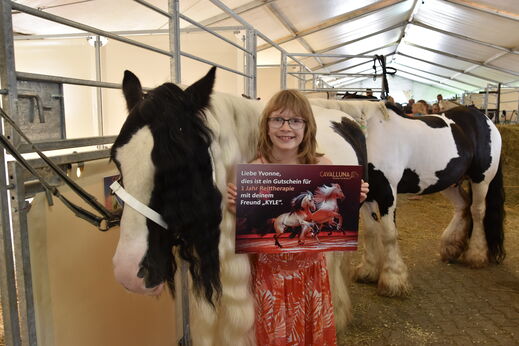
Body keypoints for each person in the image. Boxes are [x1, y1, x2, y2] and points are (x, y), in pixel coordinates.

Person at [227, 89, 369, 345]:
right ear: (267, 125)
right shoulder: (254, 171)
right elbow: (250, 226)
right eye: (278, 119)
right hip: (270, 276)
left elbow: (336, 214)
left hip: (312, 273)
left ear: (307, 127)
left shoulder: (323, 165)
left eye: (295, 121)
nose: (286, 128)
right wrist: (237, 207)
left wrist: (353, 199)